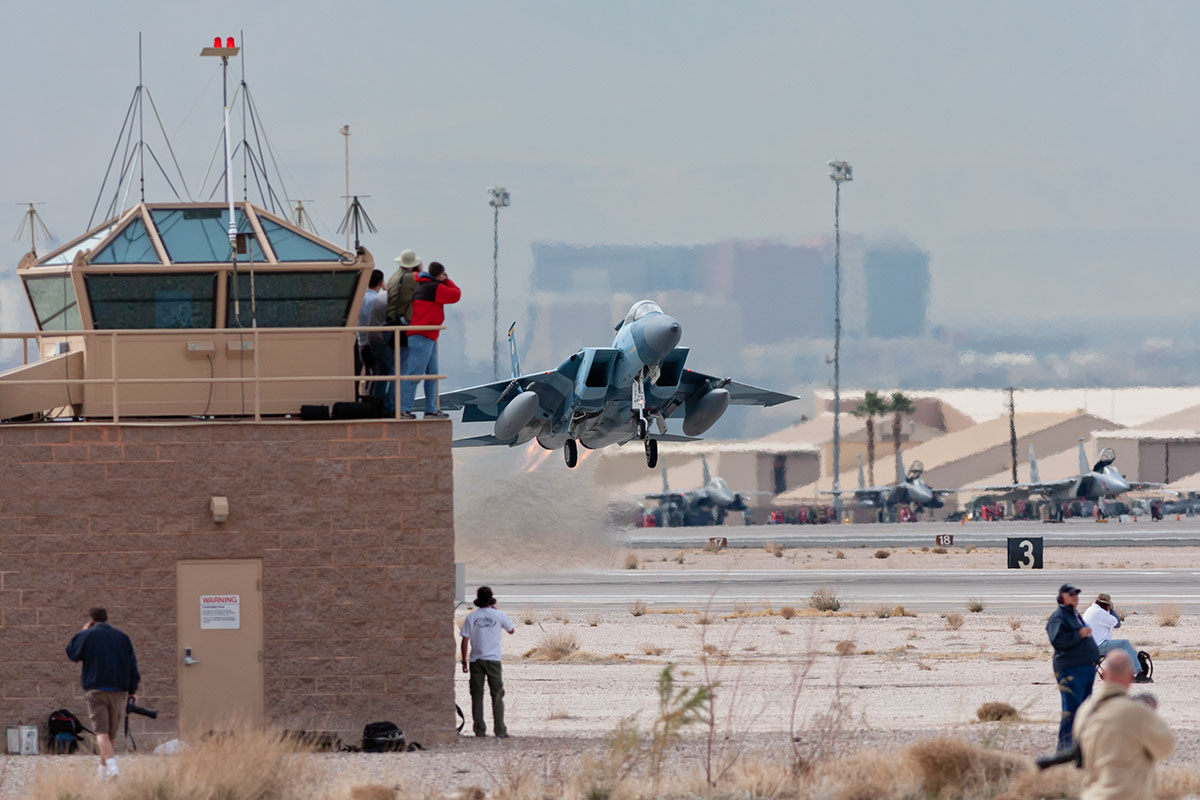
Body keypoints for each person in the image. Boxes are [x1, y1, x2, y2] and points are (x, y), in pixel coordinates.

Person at [1073, 650, 1174, 800]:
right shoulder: (1136, 712)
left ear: (1104, 675)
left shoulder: (1086, 709)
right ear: (1129, 677)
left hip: (1093, 794)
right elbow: (1166, 747)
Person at [65, 607, 140, 780]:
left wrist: (82, 632)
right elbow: (132, 665)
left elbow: (72, 653)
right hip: (118, 691)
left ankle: (113, 768)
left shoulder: (87, 636)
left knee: (101, 733)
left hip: (96, 690)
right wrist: (132, 691)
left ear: (92, 620)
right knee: (110, 734)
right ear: (107, 618)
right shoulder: (122, 638)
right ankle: (102, 774)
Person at [401, 261, 460, 419]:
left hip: (428, 336)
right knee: (414, 374)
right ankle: (403, 409)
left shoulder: (421, 285)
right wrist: (447, 280)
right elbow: (456, 295)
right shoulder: (436, 288)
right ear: (440, 275)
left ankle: (431, 409)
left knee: (432, 375)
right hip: (422, 335)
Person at [1046, 583, 1100, 751]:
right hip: (1071, 668)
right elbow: (1058, 641)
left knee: (1084, 709)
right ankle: (1065, 747)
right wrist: (1079, 635)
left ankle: (1079, 746)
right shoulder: (1059, 617)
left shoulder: (1074, 614)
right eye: (1071, 595)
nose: (1075, 597)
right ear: (1062, 597)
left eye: (1076, 594)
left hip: (1085, 667)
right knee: (1072, 708)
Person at [460, 586, 514, 738]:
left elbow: (464, 640)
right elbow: (511, 630)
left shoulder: (472, 617)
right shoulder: (499, 615)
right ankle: (500, 730)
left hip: (476, 660)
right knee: (497, 695)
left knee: (477, 696)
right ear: (491, 599)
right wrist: (496, 612)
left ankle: (479, 730)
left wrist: (464, 660)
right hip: (493, 660)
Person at [1082, 592, 1149, 683]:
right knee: (1125, 643)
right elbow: (1117, 624)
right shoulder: (1100, 613)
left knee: (1125, 648)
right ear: (1106, 605)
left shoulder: (1090, 610)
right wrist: (1112, 610)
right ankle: (1139, 673)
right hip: (1098, 646)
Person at [355, 269, 385, 400]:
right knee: (378, 372)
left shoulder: (360, 298)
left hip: (361, 341)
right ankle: (373, 400)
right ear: (381, 282)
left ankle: (368, 398)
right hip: (374, 341)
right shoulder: (377, 300)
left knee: (368, 373)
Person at [386, 249, 422, 326]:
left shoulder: (393, 277)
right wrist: (420, 271)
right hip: (403, 320)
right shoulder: (410, 277)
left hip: (392, 317)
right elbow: (425, 286)